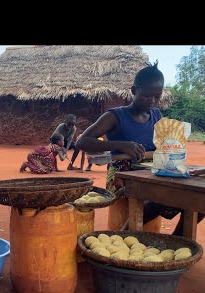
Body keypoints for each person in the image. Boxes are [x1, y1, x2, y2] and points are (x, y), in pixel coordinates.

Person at [76, 61, 203, 236]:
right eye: (146, 96)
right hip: (122, 175)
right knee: (160, 198)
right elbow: (82, 142)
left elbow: (162, 143)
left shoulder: (156, 114)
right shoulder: (114, 116)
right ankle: (122, 237)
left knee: (199, 199)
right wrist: (120, 145)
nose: (152, 101)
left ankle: (178, 241)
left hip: (153, 171)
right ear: (134, 91)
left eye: (156, 97)